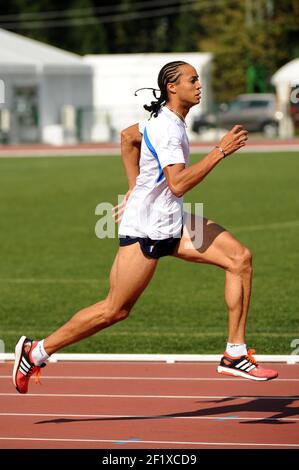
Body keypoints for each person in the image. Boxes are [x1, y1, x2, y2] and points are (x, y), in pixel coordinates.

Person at [13, 61, 278, 394]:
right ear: (172, 87)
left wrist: (134, 188)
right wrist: (220, 151)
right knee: (115, 309)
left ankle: (235, 353)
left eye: (198, 79)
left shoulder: (164, 120)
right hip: (147, 231)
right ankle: (35, 352)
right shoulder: (166, 128)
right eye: (192, 80)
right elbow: (179, 183)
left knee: (239, 259)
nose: (199, 85)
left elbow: (128, 137)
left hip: (173, 223)